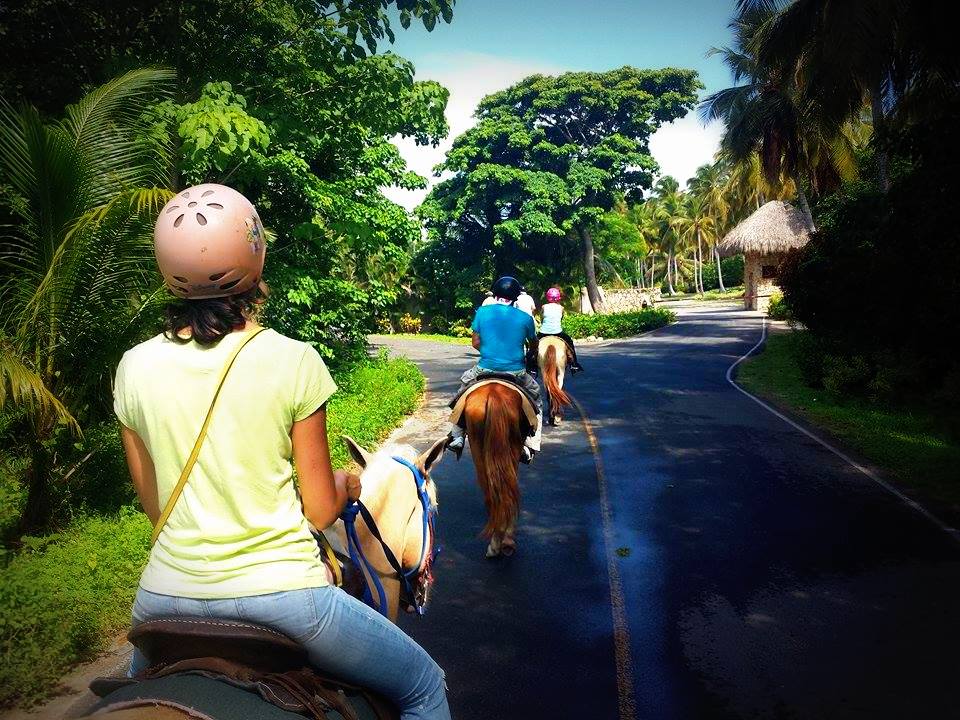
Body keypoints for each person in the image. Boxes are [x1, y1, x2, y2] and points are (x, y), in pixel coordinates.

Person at [114, 183, 450, 720]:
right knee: (424, 687)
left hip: (162, 598)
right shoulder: (293, 360)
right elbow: (319, 511)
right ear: (255, 255)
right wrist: (347, 484)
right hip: (283, 597)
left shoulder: (132, 366)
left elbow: (156, 507)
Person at [446, 276, 542, 463]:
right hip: (516, 373)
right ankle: (530, 443)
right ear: (516, 297)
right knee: (537, 398)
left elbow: (475, 342)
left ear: (495, 294)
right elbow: (533, 345)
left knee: (463, 389)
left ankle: (457, 435)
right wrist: (526, 353)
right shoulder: (525, 318)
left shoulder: (482, 312)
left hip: (484, 369)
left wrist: (491, 352)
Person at [536, 287, 584, 373]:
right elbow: (560, 319)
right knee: (570, 343)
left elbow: (542, 318)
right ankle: (574, 364)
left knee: (533, 346)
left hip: (543, 332)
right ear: (558, 298)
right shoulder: (561, 308)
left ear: (547, 297)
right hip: (557, 332)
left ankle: (531, 365)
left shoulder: (543, 307)